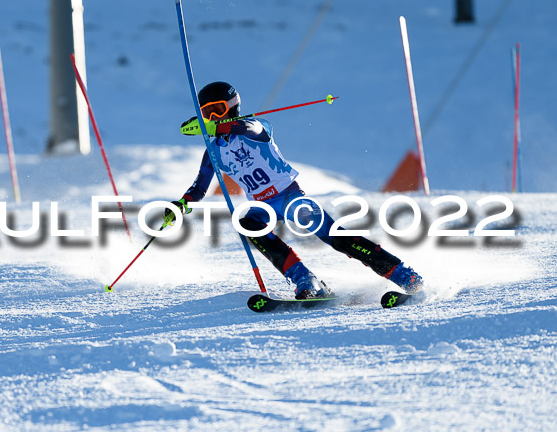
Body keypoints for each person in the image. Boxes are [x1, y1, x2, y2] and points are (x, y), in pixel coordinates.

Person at [164, 81, 423, 299]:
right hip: (260, 206)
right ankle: (306, 282)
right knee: (246, 224)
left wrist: (215, 127)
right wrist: (179, 206)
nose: (213, 118)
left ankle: (404, 275)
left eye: (217, 110)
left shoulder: (256, 126)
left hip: (289, 195)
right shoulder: (213, 151)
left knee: (337, 238)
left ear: (233, 107)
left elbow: (249, 128)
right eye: (206, 114)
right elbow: (198, 189)